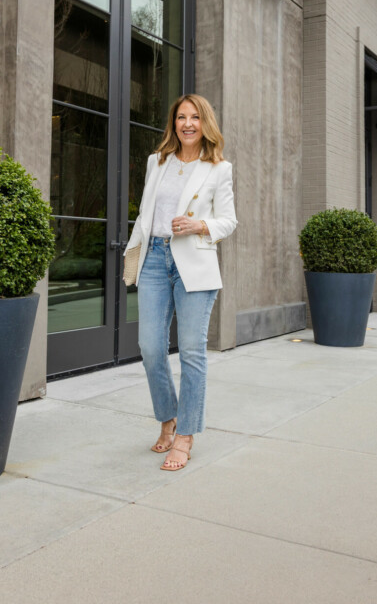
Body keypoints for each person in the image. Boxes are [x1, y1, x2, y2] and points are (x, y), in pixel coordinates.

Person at [125, 94, 237, 471]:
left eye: (195, 117)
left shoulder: (219, 168)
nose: (187, 124)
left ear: (206, 123)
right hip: (156, 258)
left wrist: (199, 225)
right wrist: (136, 251)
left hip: (194, 262)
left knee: (192, 352)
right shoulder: (157, 163)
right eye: (180, 118)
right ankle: (168, 417)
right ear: (173, 124)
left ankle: (185, 434)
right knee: (151, 347)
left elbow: (229, 220)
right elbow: (146, 213)